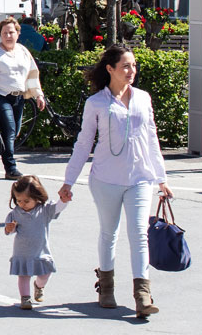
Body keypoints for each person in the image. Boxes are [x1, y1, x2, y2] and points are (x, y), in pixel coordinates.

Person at [58, 44, 171, 320]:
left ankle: (142, 294)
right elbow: (84, 143)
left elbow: (152, 139)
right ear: (110, 69)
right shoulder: (96, 103)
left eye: (133, 65)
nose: (131, 70)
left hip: (140, 179)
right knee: (109, 233)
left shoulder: (143, 98)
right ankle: (106, 287)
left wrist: (161, 178)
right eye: (125, 66)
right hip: (106, 179)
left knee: (139, 235)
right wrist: (68, 181)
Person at [0, 17, 48, 179]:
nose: (8, 36)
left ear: (17, 33)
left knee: (14, 131)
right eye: (5, 33)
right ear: (0, 35)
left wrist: (39, 94)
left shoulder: (23, 51)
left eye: (11, 32)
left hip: (18, 97)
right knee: (10, 129)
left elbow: (32, 74)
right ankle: (11, 168)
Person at [5, 175, 66, 310]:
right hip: (22, 252)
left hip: (41, 251)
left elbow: (58, 208)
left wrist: (64, 200)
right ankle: (25, 298)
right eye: (19, 200)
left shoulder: (44, 210)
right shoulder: (16, 213)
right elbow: (9, 229)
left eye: (26, 200)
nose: (22, 204)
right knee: (24, 275)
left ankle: (39, 286)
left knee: (45, 273)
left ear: (37, 196)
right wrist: (10, 228)